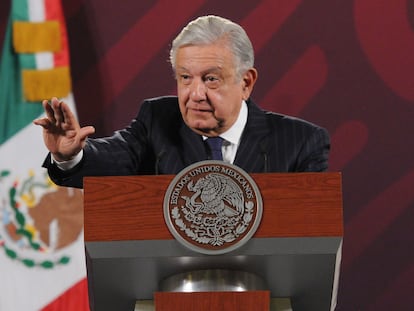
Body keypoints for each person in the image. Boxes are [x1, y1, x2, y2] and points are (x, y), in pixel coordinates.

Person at [34, 15, 330, 189]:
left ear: (246, 82)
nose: (195, 93)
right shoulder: (157, 122)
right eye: (185, 78)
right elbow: (112, 156)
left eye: (211, 79)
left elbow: (312, 236)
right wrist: (70, 155)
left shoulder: (301, 142)